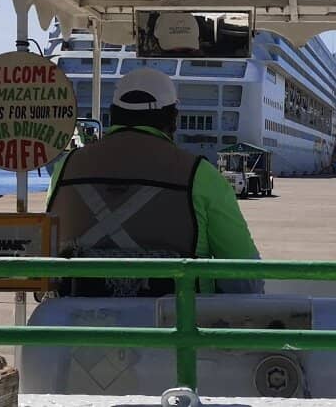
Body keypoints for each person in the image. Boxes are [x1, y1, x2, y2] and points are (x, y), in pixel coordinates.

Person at [46, 67, 263, 296]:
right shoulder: (200, 174)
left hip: (76, 314)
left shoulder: (67, 167)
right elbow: (245, 278)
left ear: (113, 114)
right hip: (179, 314)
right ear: (173, 119)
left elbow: (50, 245)